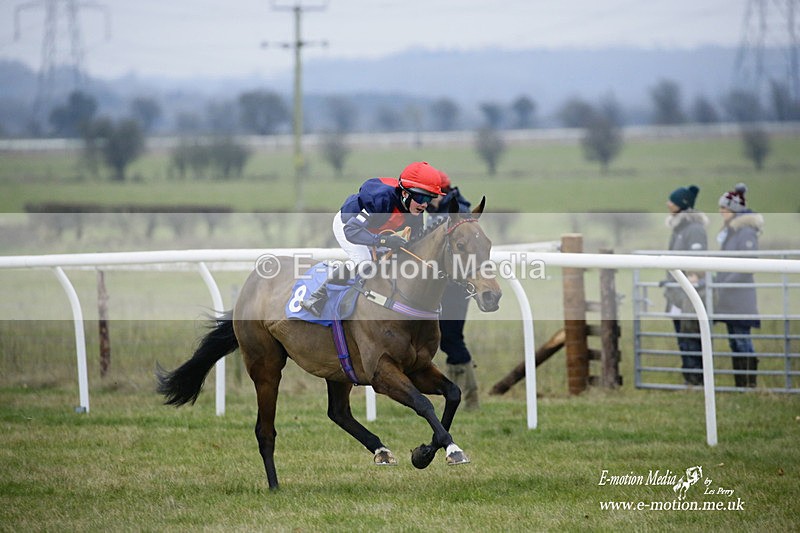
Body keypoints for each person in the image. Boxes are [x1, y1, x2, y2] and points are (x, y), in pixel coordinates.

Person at [300, 161, 444, 316]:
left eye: (429, 199)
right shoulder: (381, 199)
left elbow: (414, 246)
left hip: (376, 231)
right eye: (421, 197)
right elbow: (351, 231)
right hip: (348, 225)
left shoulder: (415, 213)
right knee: (364, 262)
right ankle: (317, 297)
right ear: (405, 193)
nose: (424, 204)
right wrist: (385, 241)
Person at [426, 170, 479, 410]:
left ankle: (469, 398)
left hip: (456, 286)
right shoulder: (444, 210)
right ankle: (460, 396)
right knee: (448, 339)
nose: (426, 201)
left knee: (451, 338)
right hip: (446, 284)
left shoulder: (460, 212)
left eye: (430, 195)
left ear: (442, 193)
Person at [715, 183, 763, 388]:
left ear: (733, 210)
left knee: (742, 340)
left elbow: (747, 266)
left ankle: (748, 383)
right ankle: (742, 383)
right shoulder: (733, 232)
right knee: (735, 340)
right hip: (730, 298)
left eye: (724, 209)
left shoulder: (745, 233)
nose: (721, 212)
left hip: (740, 298)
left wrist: (724, 283)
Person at [663, 184, 708, 386]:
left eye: (671, 201)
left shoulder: (694, 229)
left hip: (689, 292)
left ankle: (696, 379)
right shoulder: (679, 228)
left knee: (691, 336)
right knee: (683, 335)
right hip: (676, 292)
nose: (667, 204)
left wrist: (695, 276)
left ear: (682, 204)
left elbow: (698, 259)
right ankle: (690, 377)